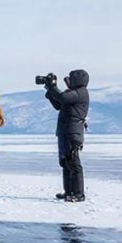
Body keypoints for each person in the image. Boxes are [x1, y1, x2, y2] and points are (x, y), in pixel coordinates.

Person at [45, 70, 90, 202]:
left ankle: (78, 193)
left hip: (73, 132)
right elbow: (59, 104)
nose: (68, 82)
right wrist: (50, 91)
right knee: (65, 162)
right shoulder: (73, 94)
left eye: (71, 79)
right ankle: (69, 191)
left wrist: (53, 87)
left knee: (73, 163)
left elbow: (63, 98)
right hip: (65, 131)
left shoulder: (81, 93)